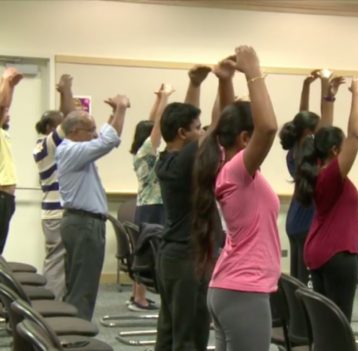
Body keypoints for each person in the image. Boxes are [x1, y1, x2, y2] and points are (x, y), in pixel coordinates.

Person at [194, 45, 279, 351]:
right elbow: (268, 128)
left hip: (228, 289)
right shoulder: (236, 172)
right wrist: (254, 70)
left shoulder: (222, 165)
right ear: (245, 139)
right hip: (244, 290)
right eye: (252, 137)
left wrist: (225, 80)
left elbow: (223, 121)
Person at [155, 58, 234, 350]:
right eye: (197, 128)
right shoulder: (186, 158)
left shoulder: (168, 158)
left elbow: (186, 123)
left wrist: (195, 84)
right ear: (183, 134)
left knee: (170, 329)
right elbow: (222, 125)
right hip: (187, 258)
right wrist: (224, 81)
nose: (203, 132)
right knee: (190, 334)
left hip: (172, 256)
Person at [294, 76, 358, 321]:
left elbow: (322, 132)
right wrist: (357, 94)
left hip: (319, 251)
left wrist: (329, 95)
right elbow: (356, 135)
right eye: (342, 146)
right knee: (339, 321)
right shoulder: (331, 177)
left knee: (326, 321)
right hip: (337, 254)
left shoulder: (316, 166)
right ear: (335, 151)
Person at [57, 95, 130, 320]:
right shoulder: (71, 150)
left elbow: (108, 138)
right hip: (83, 224)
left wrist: (114, 113)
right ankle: (77, 336)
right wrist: (121, 109)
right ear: (75, 131)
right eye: (90, 130)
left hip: (80, 223)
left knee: (79, 283)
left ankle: (72, 331)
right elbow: (107, 141)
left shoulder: (75, 150)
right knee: (83, 287)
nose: (94, 134)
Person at [279, 69, 345, 284]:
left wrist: (307, 86)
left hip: (295, 221)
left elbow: (302, 115)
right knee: (308, 280)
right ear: (308, 133)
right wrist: (326, 85)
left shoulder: (296, 150)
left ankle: (298, 315)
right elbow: (326, 125)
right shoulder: (309, 152)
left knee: (298, 278)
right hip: (306, 222)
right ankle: (305, 315)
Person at [128, 83, 174, 311]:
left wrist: (157, 100)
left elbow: (152, 124)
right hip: (153, 207)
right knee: (150, 252)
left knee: (145, 249)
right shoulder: (147, 151)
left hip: (147, 206)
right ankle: (139, 298)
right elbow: (157, 126)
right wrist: (164, 99)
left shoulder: (142, 152)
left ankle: (138, 295)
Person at [32, 73, 76, 300]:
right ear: (50, 126)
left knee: (59, 263)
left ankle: (54, 306)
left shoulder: (48, 146)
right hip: (56, 214)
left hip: (54, 213)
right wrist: (66, 90)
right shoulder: (47, 145)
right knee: (57, 265)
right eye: (58, 122)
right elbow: (70, 120)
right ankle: (50, 309)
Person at [0, 67, 23, 254]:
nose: (9, 113)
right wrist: (6, 81)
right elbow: (2, 107)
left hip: (5, 198)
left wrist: (11, 86)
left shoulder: (2, 133)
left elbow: (4, 108)